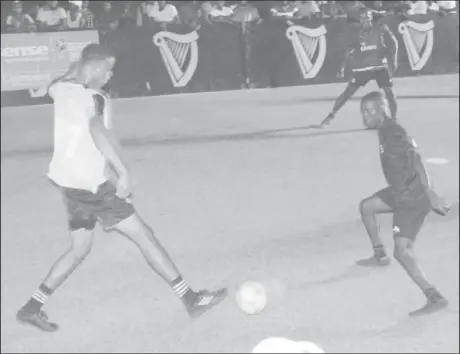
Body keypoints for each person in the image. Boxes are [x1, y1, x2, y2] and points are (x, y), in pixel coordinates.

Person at [16, 44, 227, 332]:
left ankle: (32, 307)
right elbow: (96, 129)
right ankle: (191, 299)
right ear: (91, 67)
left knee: (80, 248)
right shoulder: (96, 97)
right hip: (92, 187)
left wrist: (76, 69)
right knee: (145, 236)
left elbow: (60, 80)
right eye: (106, 68)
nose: (110, 75)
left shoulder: (59, 89)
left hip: (69, 183)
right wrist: (122, 172)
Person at [357, 91, 450, 316]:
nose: (365, 116)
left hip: (411, 197)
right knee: (367, 206)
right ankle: (379, 255)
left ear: (382, 110)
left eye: (370, 111)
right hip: (400, 191)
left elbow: (415, 158)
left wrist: (429, 193)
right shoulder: (386, 130)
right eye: (363, 112)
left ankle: (434, 296)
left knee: (402, 251)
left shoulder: (392, 133)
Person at [317, 9, 398, 128]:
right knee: (347, 93)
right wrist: (342, 67)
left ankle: (394, 120)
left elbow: (394, 42)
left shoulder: (380, 28)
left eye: (367, 17)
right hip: (362, 68)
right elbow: (349, 50)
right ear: (359, 20)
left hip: (379, 67)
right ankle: (330, 117)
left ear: (371, 17)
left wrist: (394, 60)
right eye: (362, 18)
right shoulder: (355, 33)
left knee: (390, 93)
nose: (365, 19)